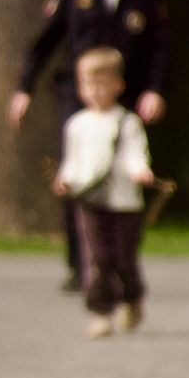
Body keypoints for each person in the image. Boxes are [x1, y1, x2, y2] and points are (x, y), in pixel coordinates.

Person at [10, 0, 171, 293]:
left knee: (125, 176)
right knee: (78, 172)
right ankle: (81, 263)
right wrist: (24, 88)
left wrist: (155, 89)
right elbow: (44, 42)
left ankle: (119, 258)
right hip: (77, 95)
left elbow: (161, 49)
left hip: (126, 96)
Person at [52, 48, 156, 339]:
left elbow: (135, 155)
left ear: (117, 86)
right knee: (97, 258)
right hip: (90, 201)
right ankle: (100, 312)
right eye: (87, 84)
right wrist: (65, 178)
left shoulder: (128, 122)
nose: (93, 91)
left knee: (124, 259)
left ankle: (131, 298)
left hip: (125, 202)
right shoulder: (77, 125)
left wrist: (141, 171)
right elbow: (73, 161)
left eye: (100, 84)